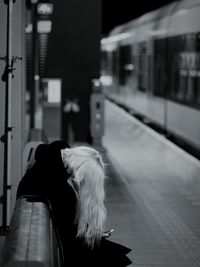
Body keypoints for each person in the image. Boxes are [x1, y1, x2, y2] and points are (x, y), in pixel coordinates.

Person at [16, 140, 132, 266]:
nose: (81, 179)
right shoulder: (58, 184)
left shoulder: (49, 167)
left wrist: (89, 232)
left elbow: (65, 221)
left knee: (113, 253)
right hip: (60, 246)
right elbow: (67, 227)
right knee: (116, 257)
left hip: (53, 239)